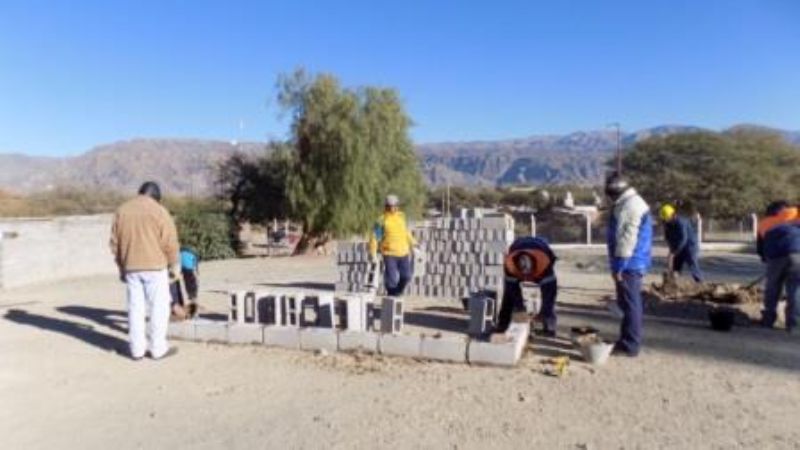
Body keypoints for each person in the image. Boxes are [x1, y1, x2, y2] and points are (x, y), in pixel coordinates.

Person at [110, 181, 180, 360]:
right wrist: (174, 265)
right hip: (155, 267)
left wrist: (121, 267)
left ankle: (136, 350)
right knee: (159, 307)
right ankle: (158, 349)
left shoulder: (122, 210)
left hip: (131, 268)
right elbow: (169, 242)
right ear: (156, 197)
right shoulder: (159, 211)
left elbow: (114, 244)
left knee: (135, 308)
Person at [605, 174, 653, 357]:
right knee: (627, 304)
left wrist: (619, 267)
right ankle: (626, 339)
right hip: (633, 262)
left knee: (631, 305)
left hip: (630, 263)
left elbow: (627, 239)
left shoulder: (629, 206)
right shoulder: (630, 202)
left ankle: (630, 345)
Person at [496, 236, 558, 336]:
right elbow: (513, 292)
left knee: (549, 298)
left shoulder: (544, 264)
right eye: (523, 275)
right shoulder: (510, 265)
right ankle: (503, 324)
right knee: (508, 295)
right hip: (518, 246)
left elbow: (549, 295)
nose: (526, 278)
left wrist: (543, 313)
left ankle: (549, 326)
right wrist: (521, 310)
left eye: (529, 275)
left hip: (540, 247)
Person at [755, 200, 800, 332]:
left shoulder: (764, 223)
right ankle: (794, 325)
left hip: (775, 257)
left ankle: (768, 320)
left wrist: (767, 261)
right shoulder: (794, 212)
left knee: (772, 288)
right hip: (798, 254)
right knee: (795, 290)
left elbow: (760, 248)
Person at [368, 194, 417, 296]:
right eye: (390, 206)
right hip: (389, 254)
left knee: (406, 276)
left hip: (403, 253)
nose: (393, 208)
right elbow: (375, 237)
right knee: (391, 279)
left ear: (398, 206)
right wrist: (373, 253)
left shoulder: (401, 217)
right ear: (386, 206)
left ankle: (398, 291)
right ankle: (391, 297)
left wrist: (414, 245)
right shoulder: (382, 220)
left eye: (395, 205)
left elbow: (406, 233)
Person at [659, 204, 703, 282]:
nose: (664, 220)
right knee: (676, 265)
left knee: (692, 263)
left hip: (690, 245)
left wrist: (674, 252)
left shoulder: (681, 222)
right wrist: (671, 250)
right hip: (679, 246)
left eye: (666, 218)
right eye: (664, 219)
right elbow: (668, 237)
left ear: (671, 215)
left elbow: (683, 238)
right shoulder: (668, 224)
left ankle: (699, 282)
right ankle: (672, 282)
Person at [180, 246, 200, 317]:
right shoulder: (193, 254)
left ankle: (193, 310)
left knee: (190, 293)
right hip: (191, 272)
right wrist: (197, 277)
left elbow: (180, 266)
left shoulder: (180, 254)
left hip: (185, 273)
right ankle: (195, 312)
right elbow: (195, 267)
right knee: (194, 295)